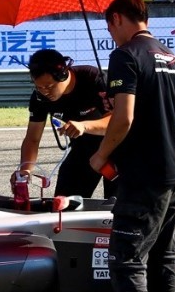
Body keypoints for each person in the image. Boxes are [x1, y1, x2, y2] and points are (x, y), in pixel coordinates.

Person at [88, 0, 175, 292]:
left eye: (108, 26)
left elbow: (125, 118)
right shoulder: (169, 56)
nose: (109, 35)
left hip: (144, 175)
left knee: (127, 260)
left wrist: (100, 155)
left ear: (116, 18)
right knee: (163, 259)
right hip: (174, 170)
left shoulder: (125, 55)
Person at [16, 49, 114, 199]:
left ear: (63, 74)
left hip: (115, 147)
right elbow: (32, 139)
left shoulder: (92, 78)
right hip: (83, 150)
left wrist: (85, 126)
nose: (44, 92)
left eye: (49, 86)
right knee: (63, 204)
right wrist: (24, 171)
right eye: (39, 87)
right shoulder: (39, 98)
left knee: (119, 208)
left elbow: (118, 121)